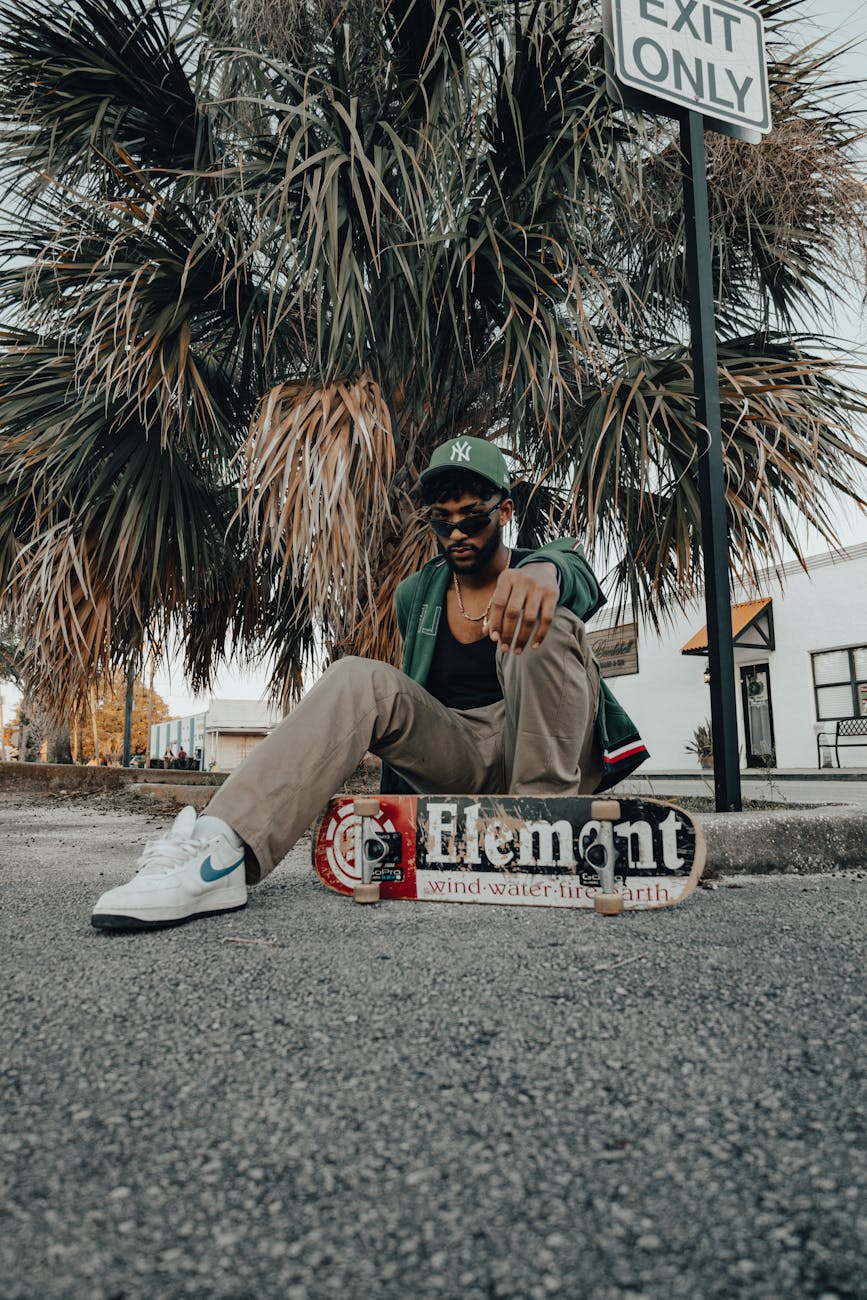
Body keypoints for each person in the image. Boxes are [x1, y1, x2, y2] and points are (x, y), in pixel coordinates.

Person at [92, 437, 648, 930]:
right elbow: (420, 695)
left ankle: (542, 834)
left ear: (504, 511)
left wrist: (543, 572)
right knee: (356, 676)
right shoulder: (417, 595)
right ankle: (219, 849)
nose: (456, 531)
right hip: (461, 749)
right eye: (442, 519)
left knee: (542, 626)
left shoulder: (542, 569)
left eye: (473, 516)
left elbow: (576, 571)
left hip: (540, 746)